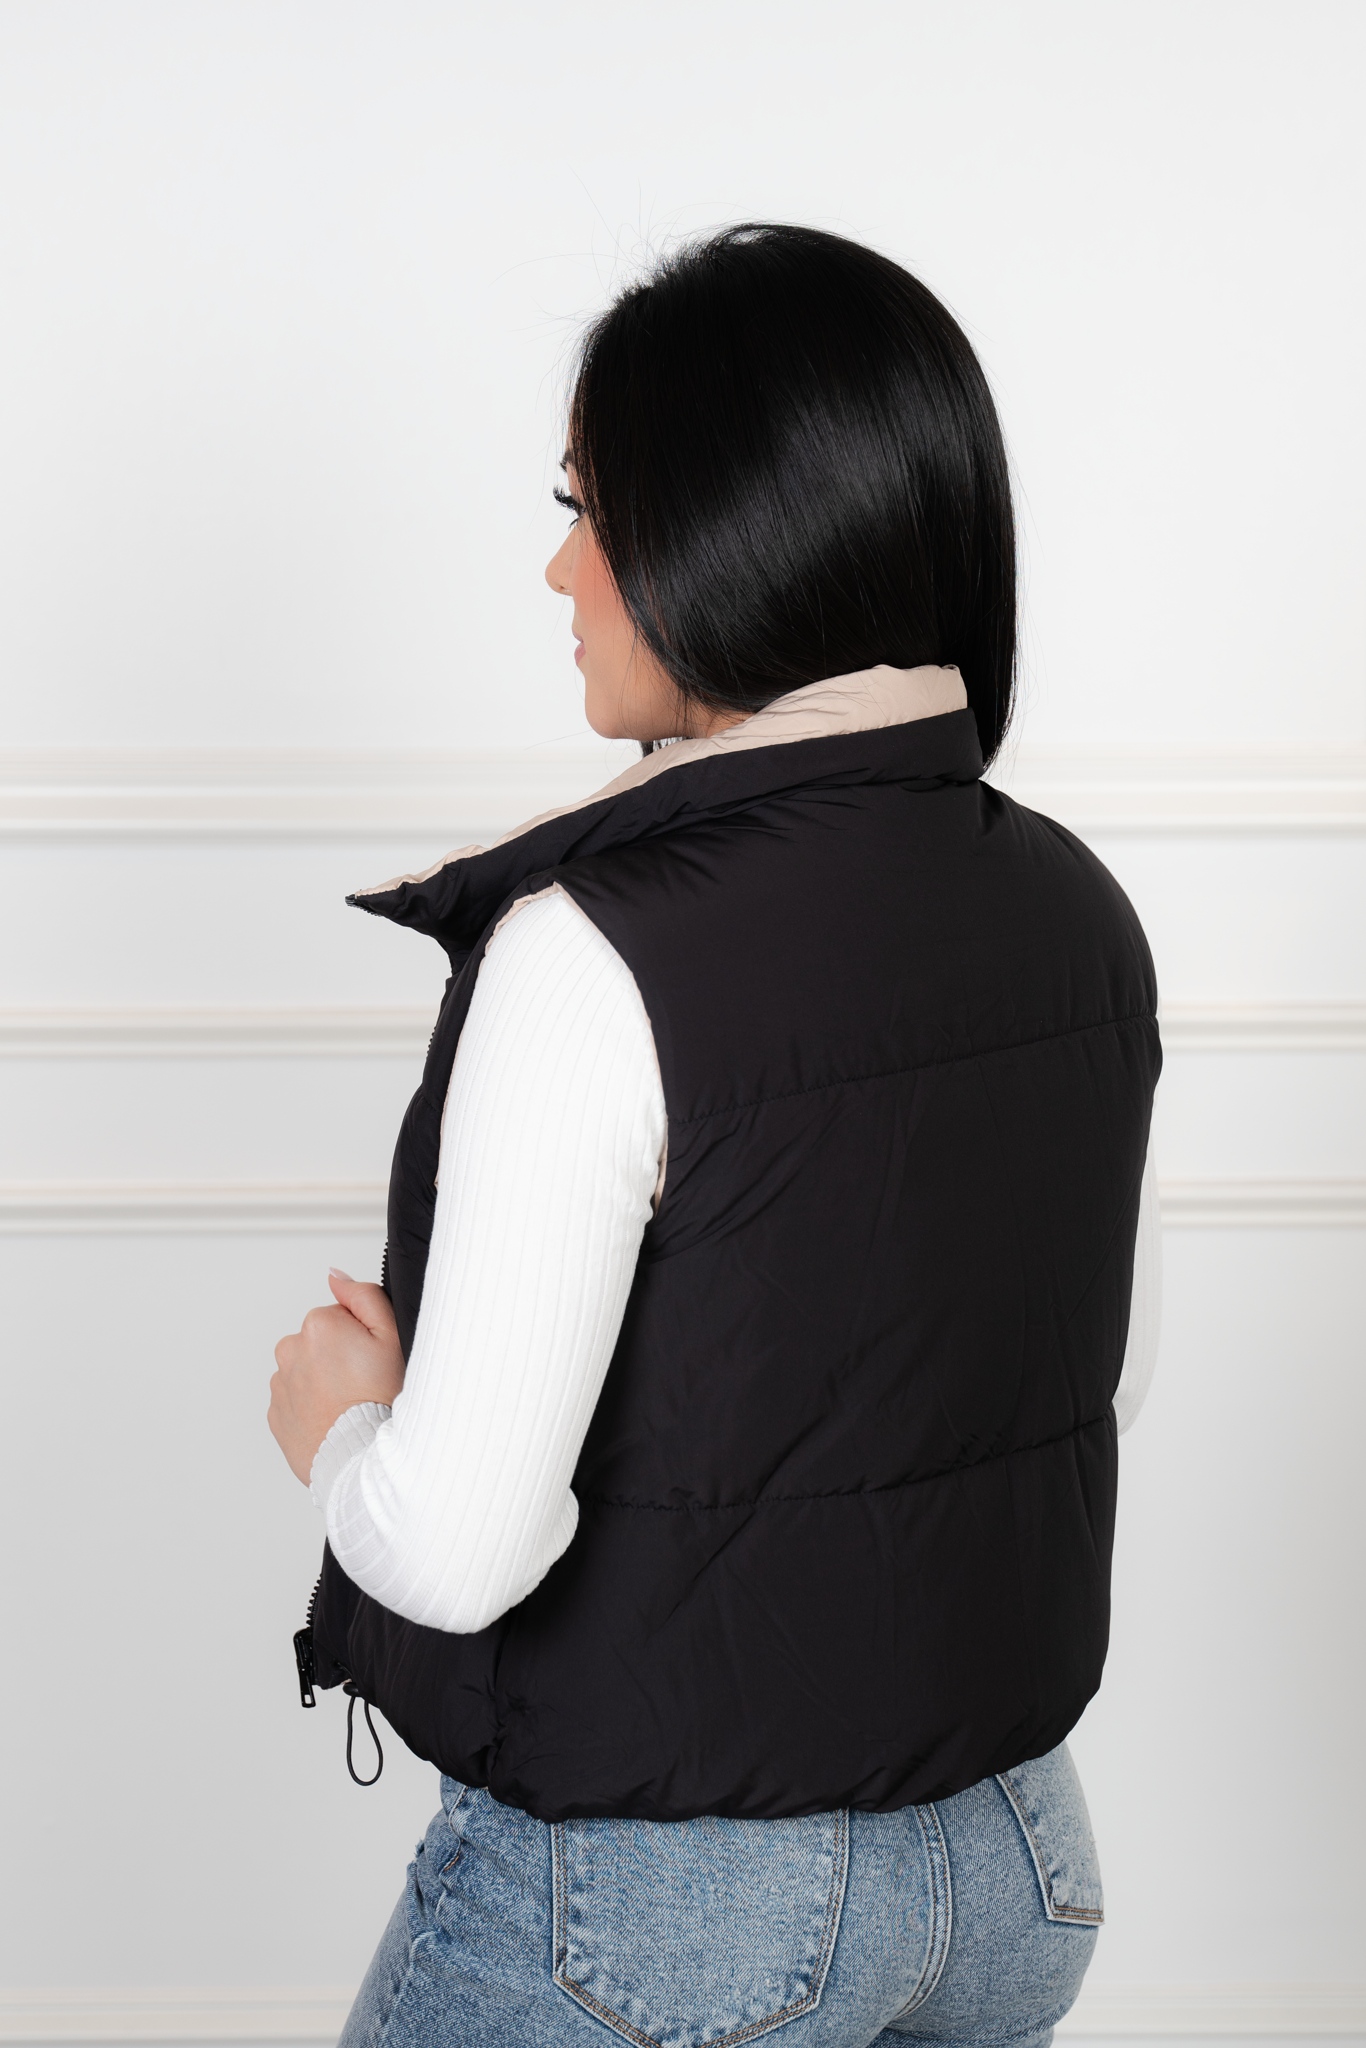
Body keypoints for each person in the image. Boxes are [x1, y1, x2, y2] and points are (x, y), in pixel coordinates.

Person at [268, 223, 1162, 2048]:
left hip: (672, 1915)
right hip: (1011, 1858)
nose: (558, 566)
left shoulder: (593, 952)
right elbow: (1071, 1390)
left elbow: (455, 1548)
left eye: (586, 508)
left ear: (725, 529)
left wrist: (342, 1422)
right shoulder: (1076, 907)